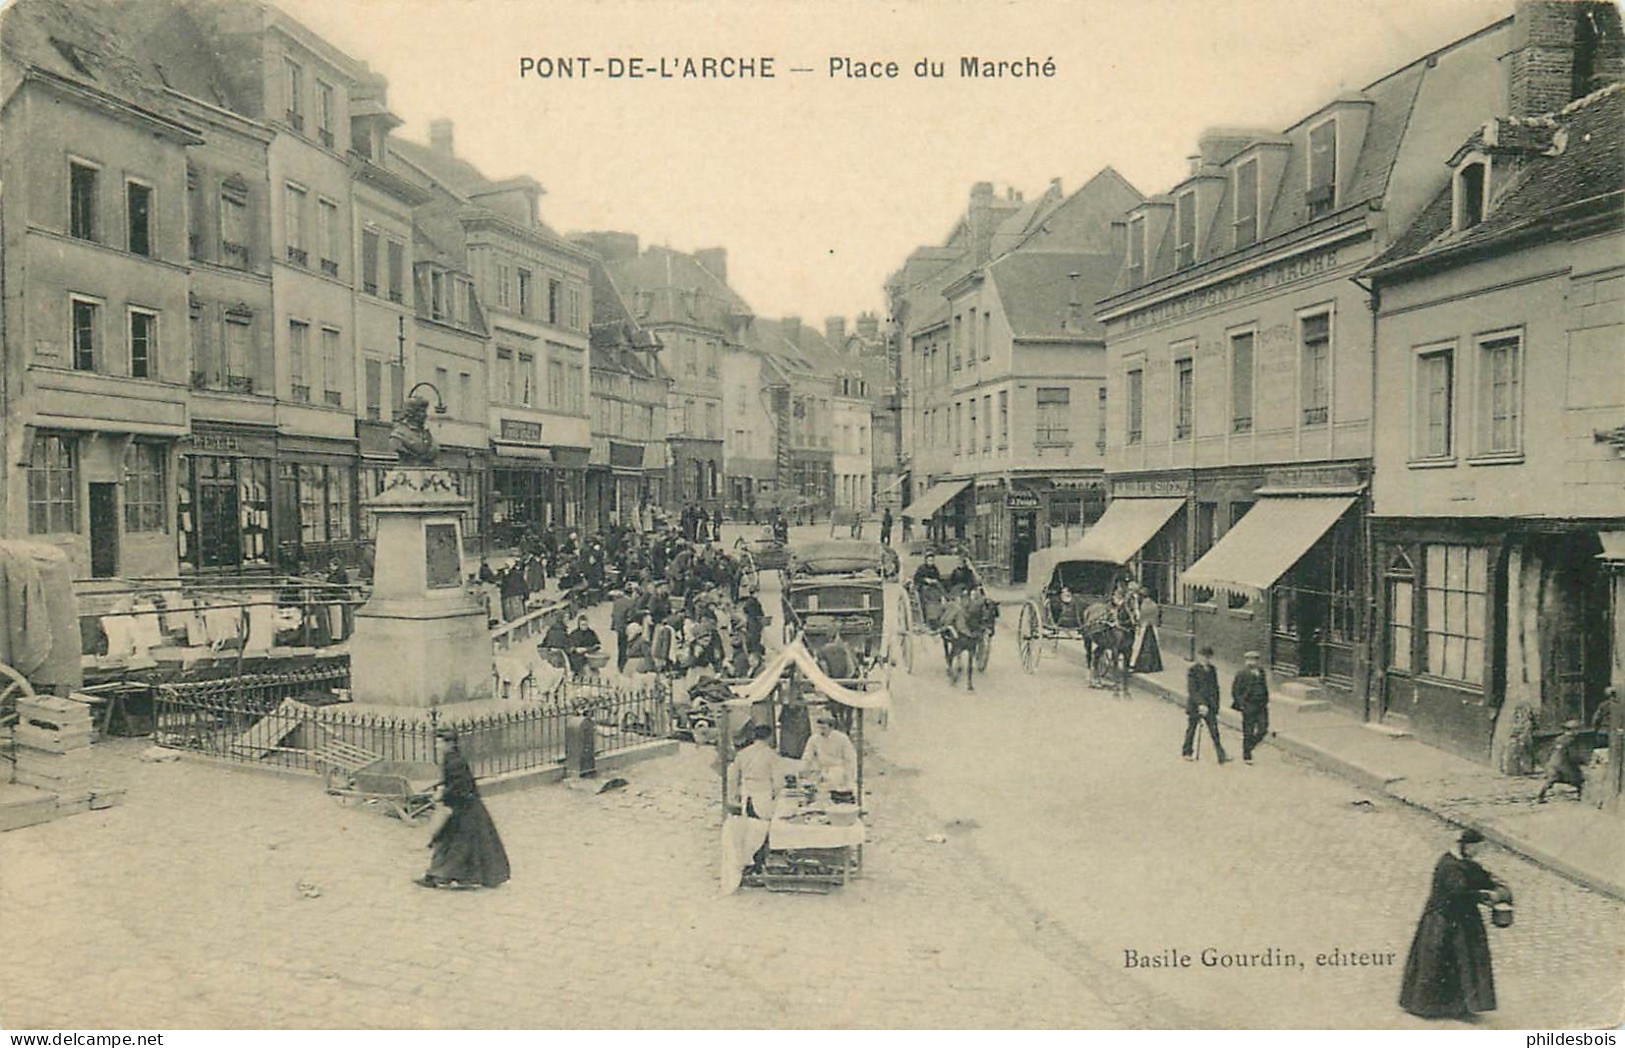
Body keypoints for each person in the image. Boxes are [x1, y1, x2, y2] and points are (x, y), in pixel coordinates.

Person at [1398, 828, 1510, 1020]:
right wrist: (1486, 896)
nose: (1478, 852)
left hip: (1461, 919)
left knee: (1460, 962)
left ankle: (1459, 1005)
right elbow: (1458, 894)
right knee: (1449, 960)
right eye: (1477, 848)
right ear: (1466, 846)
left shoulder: (1463, 863)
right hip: (1443, 921)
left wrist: (1495, 883)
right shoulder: (1449, 867)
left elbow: (1478, 875)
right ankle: (1435, 1007)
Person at [419, 728, 510, 889]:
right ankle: (441, 875)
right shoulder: (451, 759)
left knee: (457, 845)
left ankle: (440, 876)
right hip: (462, 807)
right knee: (456, 845)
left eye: (440, 742)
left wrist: (442, 794)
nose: (436, 745)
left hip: (465, 809)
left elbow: (460, 788)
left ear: (451, 744)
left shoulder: (455, 762)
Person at [1182, 646, 1229, 763]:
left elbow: (1215, 688)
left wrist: (1215, 705)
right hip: (1196, 705)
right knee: (1192, 729)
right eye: (1203, 657)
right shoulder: (1193, 670)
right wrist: (1201, 704)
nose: (1206, 659)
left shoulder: (1212, 670)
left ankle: (1221, 755)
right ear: (1199, 657)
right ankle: (1187, 752)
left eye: (1208, 657)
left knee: (1214, 731)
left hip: (1210, 705)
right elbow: (1192, 690)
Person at [800, 709, 858, 793]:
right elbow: (807, 756)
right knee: (811, 786)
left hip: (838, 770)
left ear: (831, 727)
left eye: (824, 728)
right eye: (819, 728)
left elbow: (850, 759)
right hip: (821, 770)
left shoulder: (842, 738)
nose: (821, 731)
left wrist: (850, 778)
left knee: (832, 786)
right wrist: (803, 769)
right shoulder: (814, 739)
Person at [1535, 719, 1589, 803]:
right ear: (1573, 730)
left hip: (1553, 764)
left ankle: (1540, 796)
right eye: (1577, 729)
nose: (1578, 732)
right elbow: (1572, 755)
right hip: (1564, 765)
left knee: (1550, 781)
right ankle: (1581, 797)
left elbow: (1551, 751)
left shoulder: (1559, 738)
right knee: (1580, 779)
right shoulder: (1571, 740)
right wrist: (1582, 761)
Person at [1231, 650, 1270, 764]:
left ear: (1258, 661)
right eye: (1249, 660)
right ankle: (1247, 755)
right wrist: (1242, 704)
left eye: (1254, 660)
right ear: (1246, 661)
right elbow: (1235, 691)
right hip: (1249, 705)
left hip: (1261, 705)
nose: (1251, 662)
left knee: (1263, 729)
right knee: (1248, 730)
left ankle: (1250, 745)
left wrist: (1266, 699)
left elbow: (1264, 686)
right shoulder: (1241, 673)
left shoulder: (1261, 672)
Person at [1131, 587, 1164, 673]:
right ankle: (1154, 665)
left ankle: (1137, 664)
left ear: (1142, 596)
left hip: (1144, 627)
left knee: (1139, 645)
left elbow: (1139, 618)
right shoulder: (1153, 604)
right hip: (1153, 627)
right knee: (1154, 646)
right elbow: (1158, 617)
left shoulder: (1143, 605)